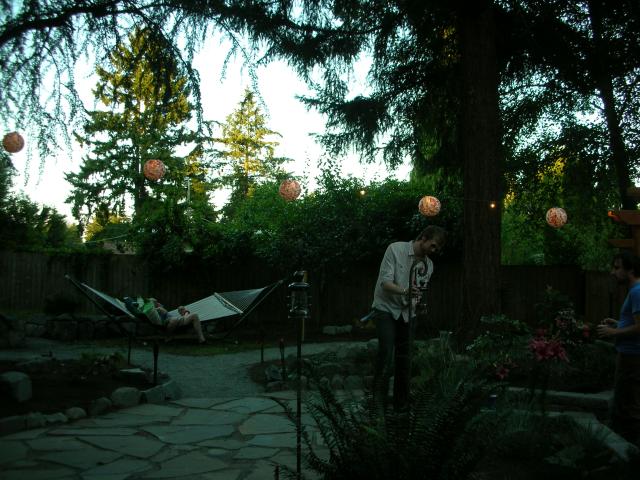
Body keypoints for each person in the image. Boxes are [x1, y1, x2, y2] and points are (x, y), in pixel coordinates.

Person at [370, 225, 447, 411]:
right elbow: (385, 283)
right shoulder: (395, 249)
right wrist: (406, 291)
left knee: (405, 359)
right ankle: (377, 404)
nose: (434, 250)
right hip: (386, 308)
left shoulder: (429, 265)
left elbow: (419, 290)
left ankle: (401, 407)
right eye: (433, 245)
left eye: (437, 248)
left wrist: (418, 304)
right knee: (386, 354)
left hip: (407, 312)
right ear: (423, 238)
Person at [597, 251, 640, 445]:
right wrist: (618, 324)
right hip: (629, 354)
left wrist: (613, 332)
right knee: (625, 401)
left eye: (617, 268)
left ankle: (630, 450)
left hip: (633, 357)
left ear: (630, 270)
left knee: (628, 405)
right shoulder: (634, 291)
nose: (612, 272)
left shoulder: (637, 292)